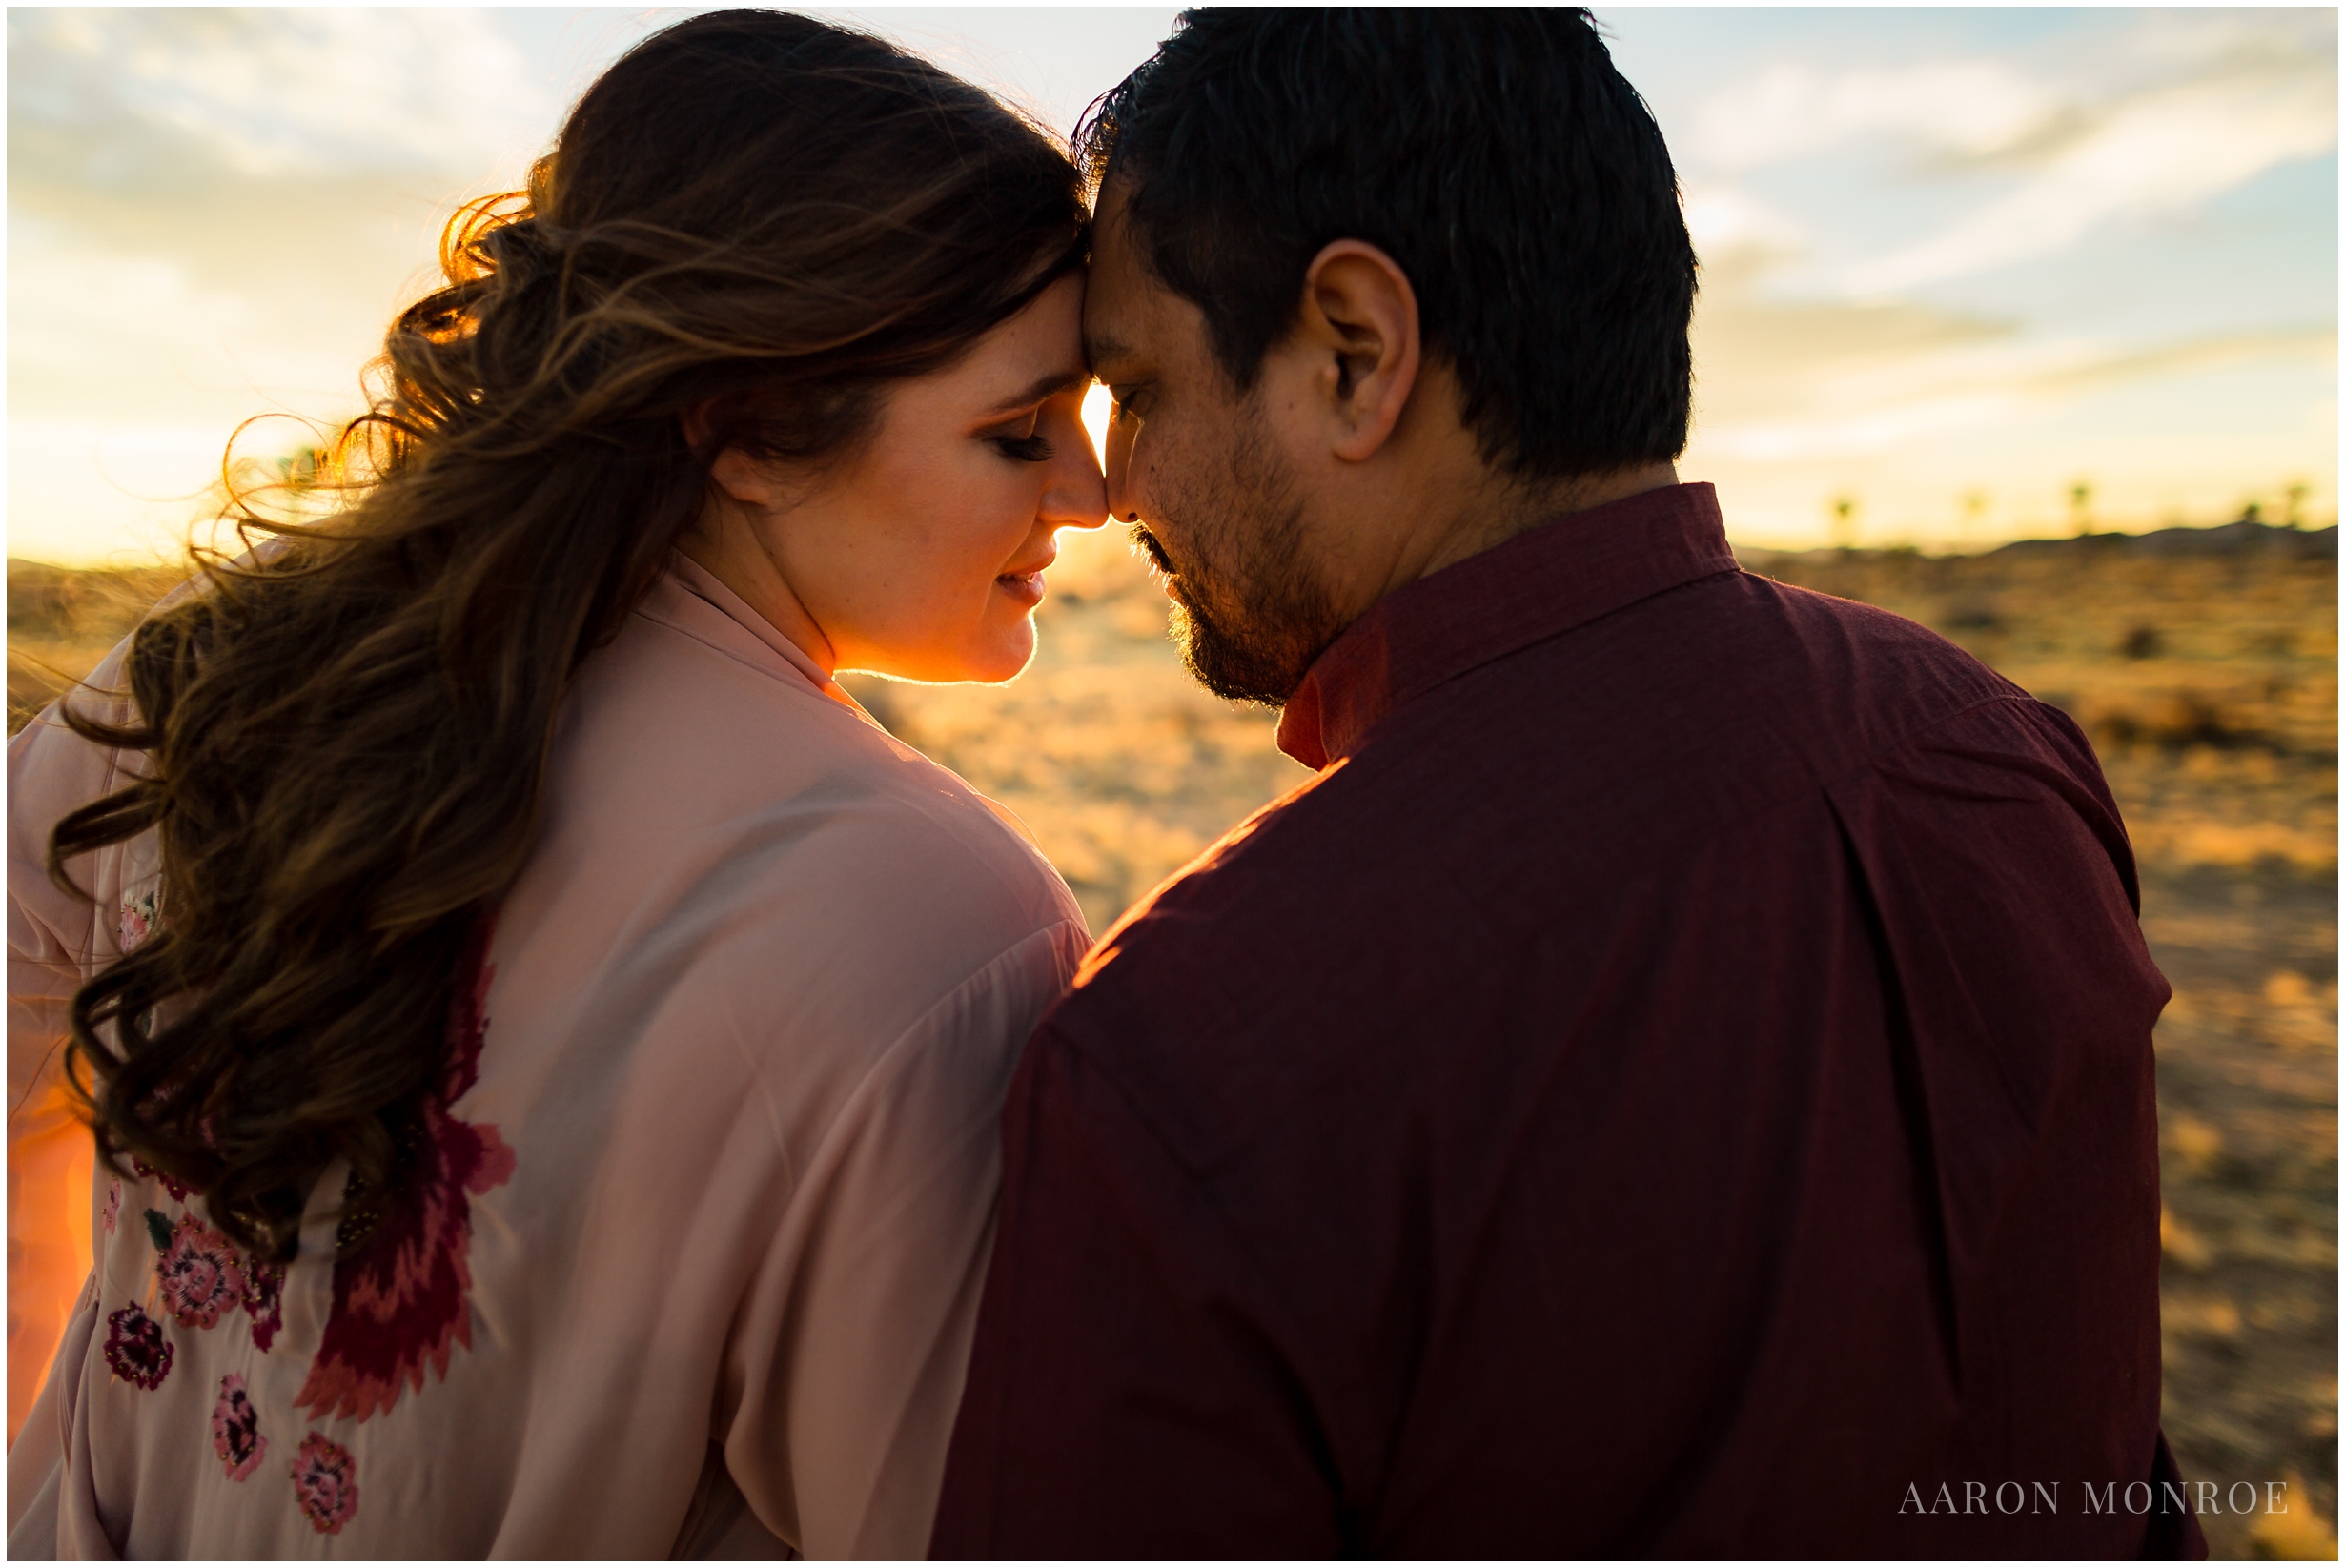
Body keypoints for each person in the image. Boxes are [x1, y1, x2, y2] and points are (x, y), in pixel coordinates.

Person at [930, 10, 2204, 1558]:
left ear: (1353, 350)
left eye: (1137, 384)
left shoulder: (1191, 1062)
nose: (1112, 479)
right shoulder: (2006, 762)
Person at [6, 10, 1106, 1557]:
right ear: (744, 428)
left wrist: (49, 1457)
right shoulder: (931, 924)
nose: (1097, 491)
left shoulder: (219, 681)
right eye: (1019, 430)